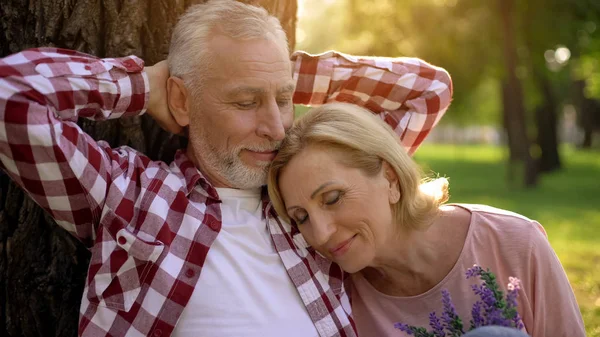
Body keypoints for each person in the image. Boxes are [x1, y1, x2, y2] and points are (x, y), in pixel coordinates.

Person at [0, 1, 453, 336]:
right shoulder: (128, 193)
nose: (275, 128)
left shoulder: (314, 208)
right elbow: (9, 99)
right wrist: (139, 87)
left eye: (282, 100)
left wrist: (276, 70)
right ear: (182, 101)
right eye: (245, 101)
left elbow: (427, 90)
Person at [267, 103, 586, 337]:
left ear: (390, 179)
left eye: (333, 198)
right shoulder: (335, 297)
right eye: (302, 217)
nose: (320, 233)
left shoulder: (515, 241)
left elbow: (430, 87)